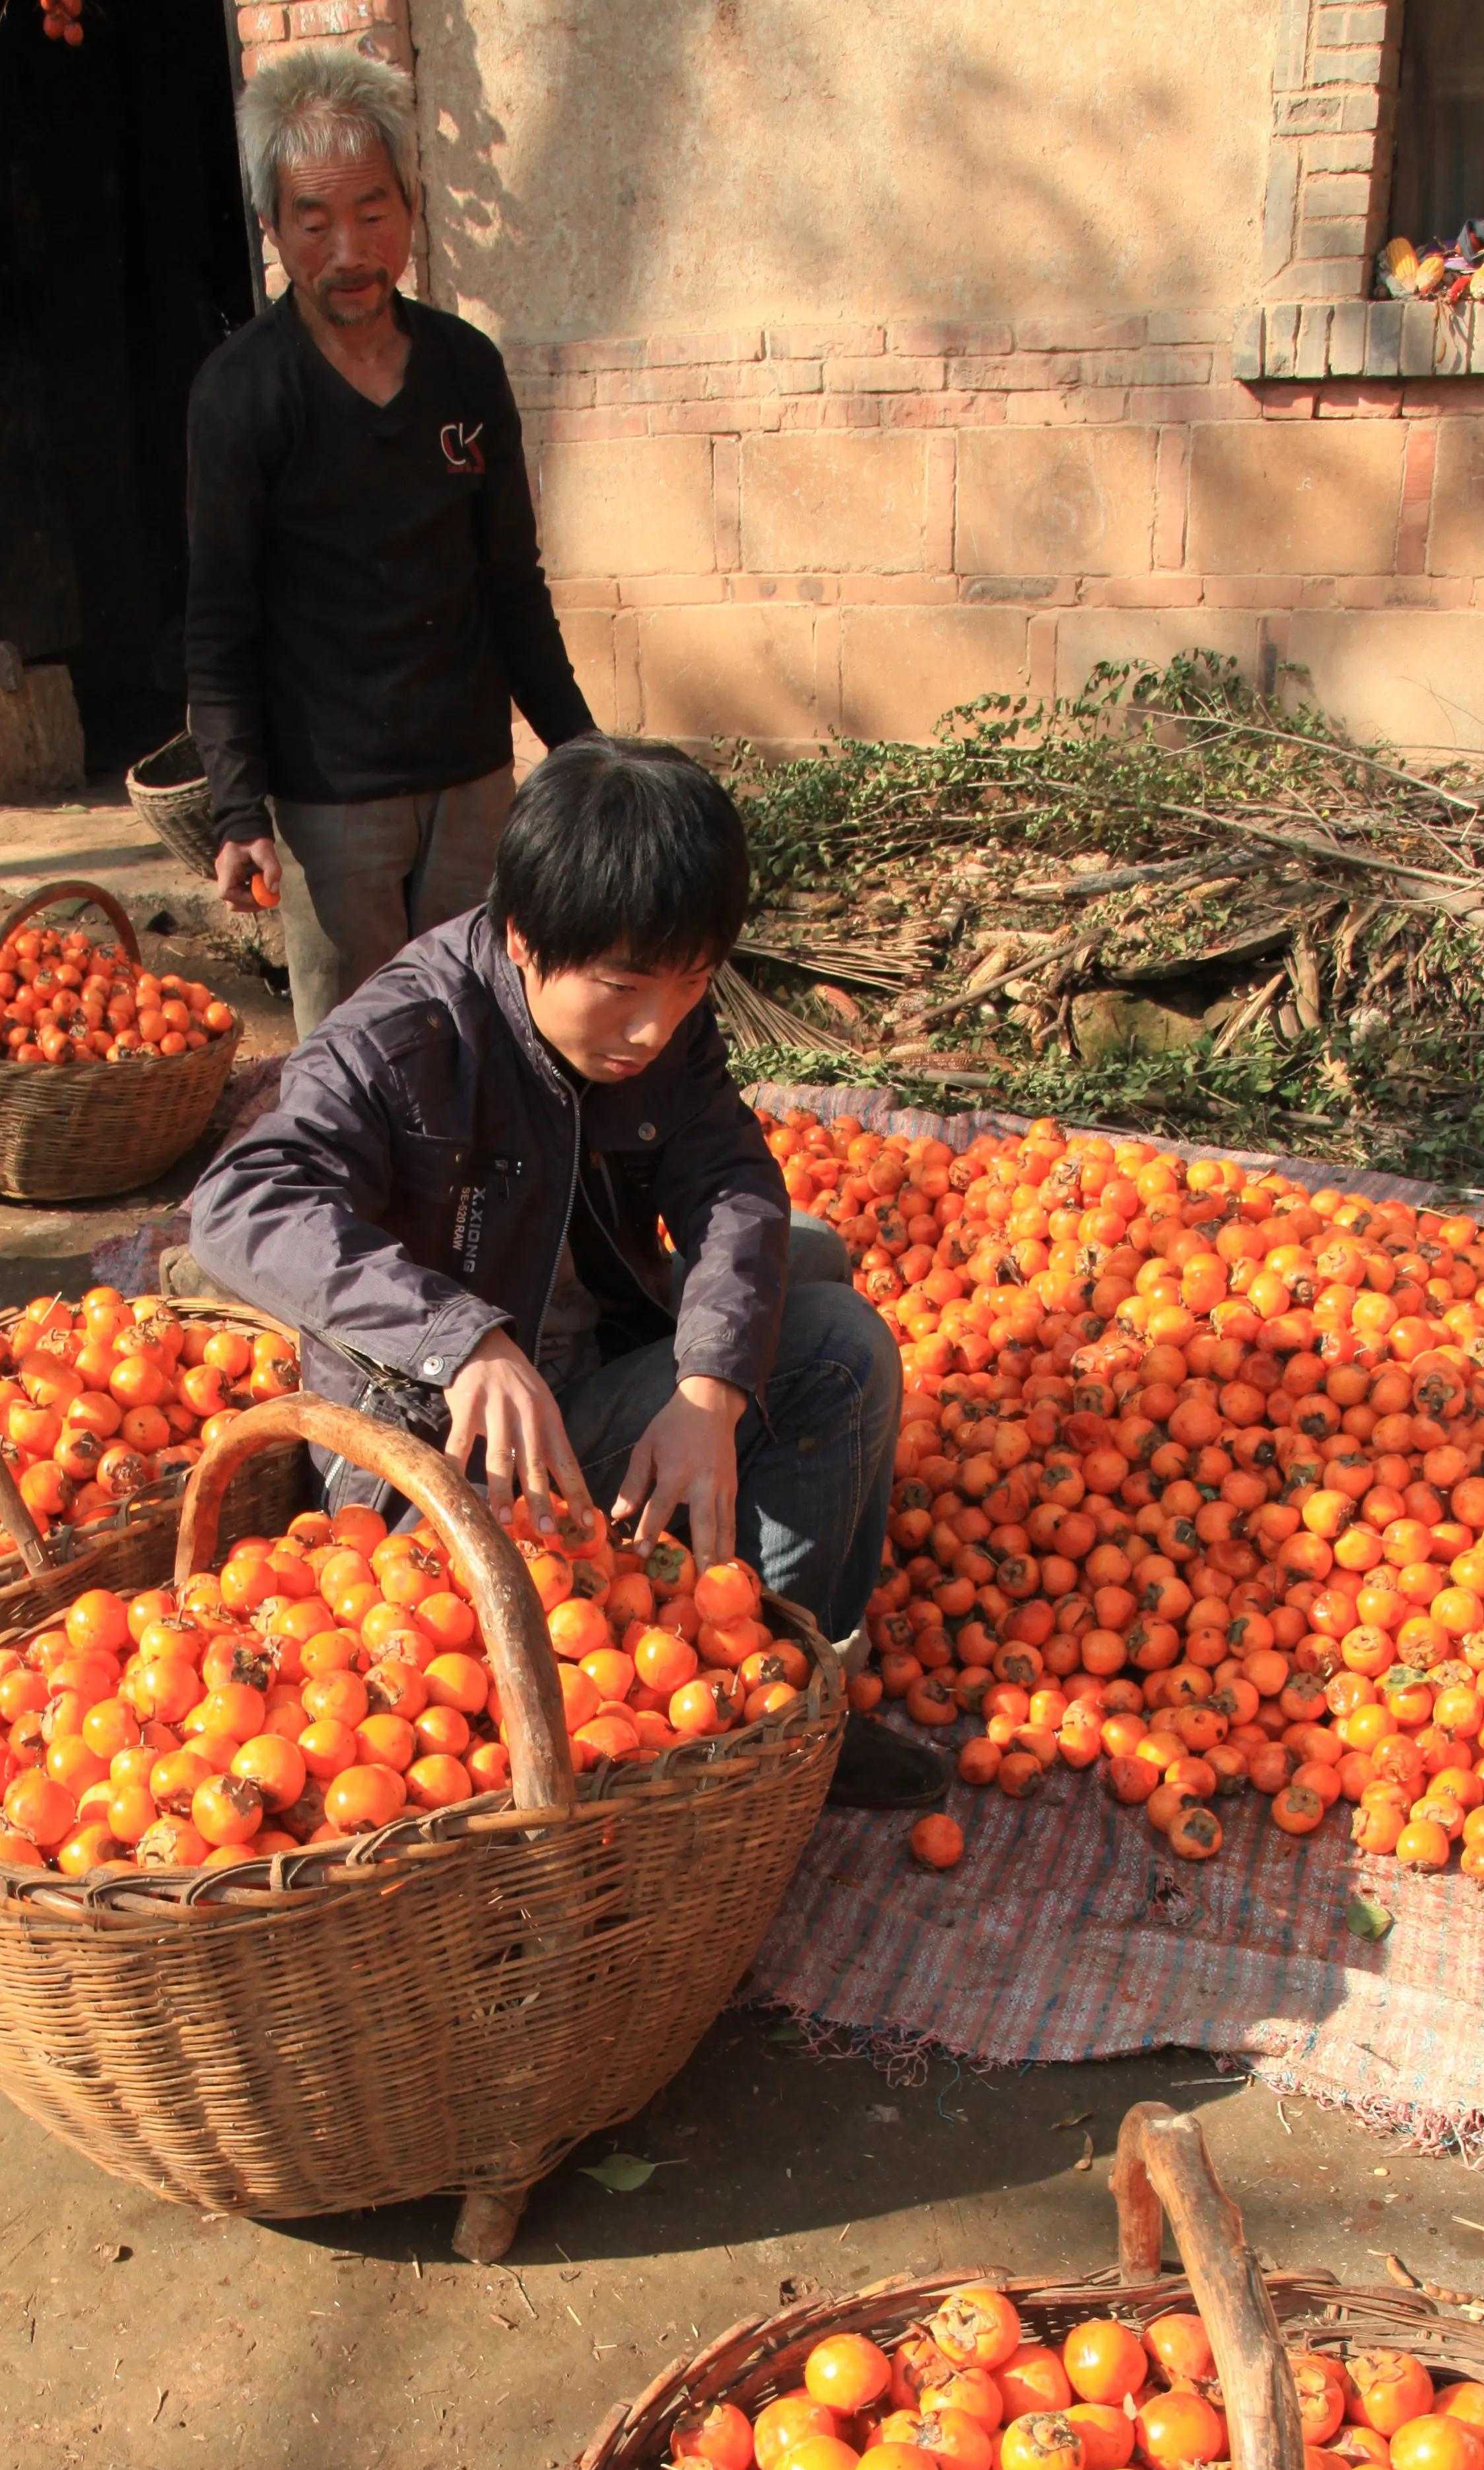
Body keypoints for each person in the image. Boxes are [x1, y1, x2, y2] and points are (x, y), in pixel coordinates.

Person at [186, 736, 937, 1809]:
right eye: (625, 988)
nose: (654, 1026)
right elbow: (241, 1201)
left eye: (690, 984)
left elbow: (732, 1181)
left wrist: (707, 1391)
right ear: (528, 942)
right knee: (834, 1338)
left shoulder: (662, 1018)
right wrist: (457, 1337)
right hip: (444, 1448)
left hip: (583, 1369)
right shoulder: (403, 1038)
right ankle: (738, 1740)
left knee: (811, 1282)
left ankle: (780, 1705)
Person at [185, 45, 595, 1036]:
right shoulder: (244, 395)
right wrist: (240, 811)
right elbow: (220, 621)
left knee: (484, 1032)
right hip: (332, 806)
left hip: (472, 778)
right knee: (358, 1057)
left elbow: (512, 582)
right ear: (272, 227)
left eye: (373, 212)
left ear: (411, 208)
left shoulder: (464, 371)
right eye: (314, 221)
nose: (348, 250)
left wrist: (583, 753)